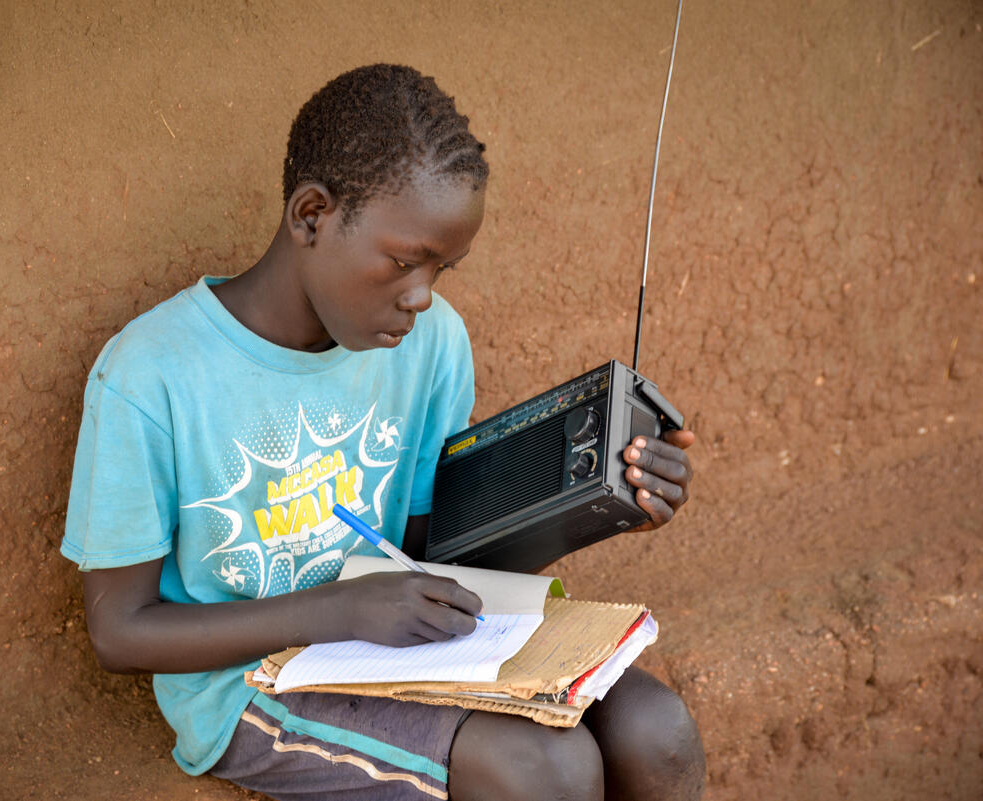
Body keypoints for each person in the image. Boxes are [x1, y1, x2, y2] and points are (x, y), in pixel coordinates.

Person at [61, 63, 704, 801]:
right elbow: (119, 631)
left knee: (657, 730)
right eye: (403, 262)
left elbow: (436, 553)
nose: (421, 296)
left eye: (443, 268)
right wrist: (336, 611)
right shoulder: (152, 375)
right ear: (311, 216)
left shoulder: (431, 345)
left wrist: (604, 501)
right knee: (545, 770)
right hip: (249, 683)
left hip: (404, 640)